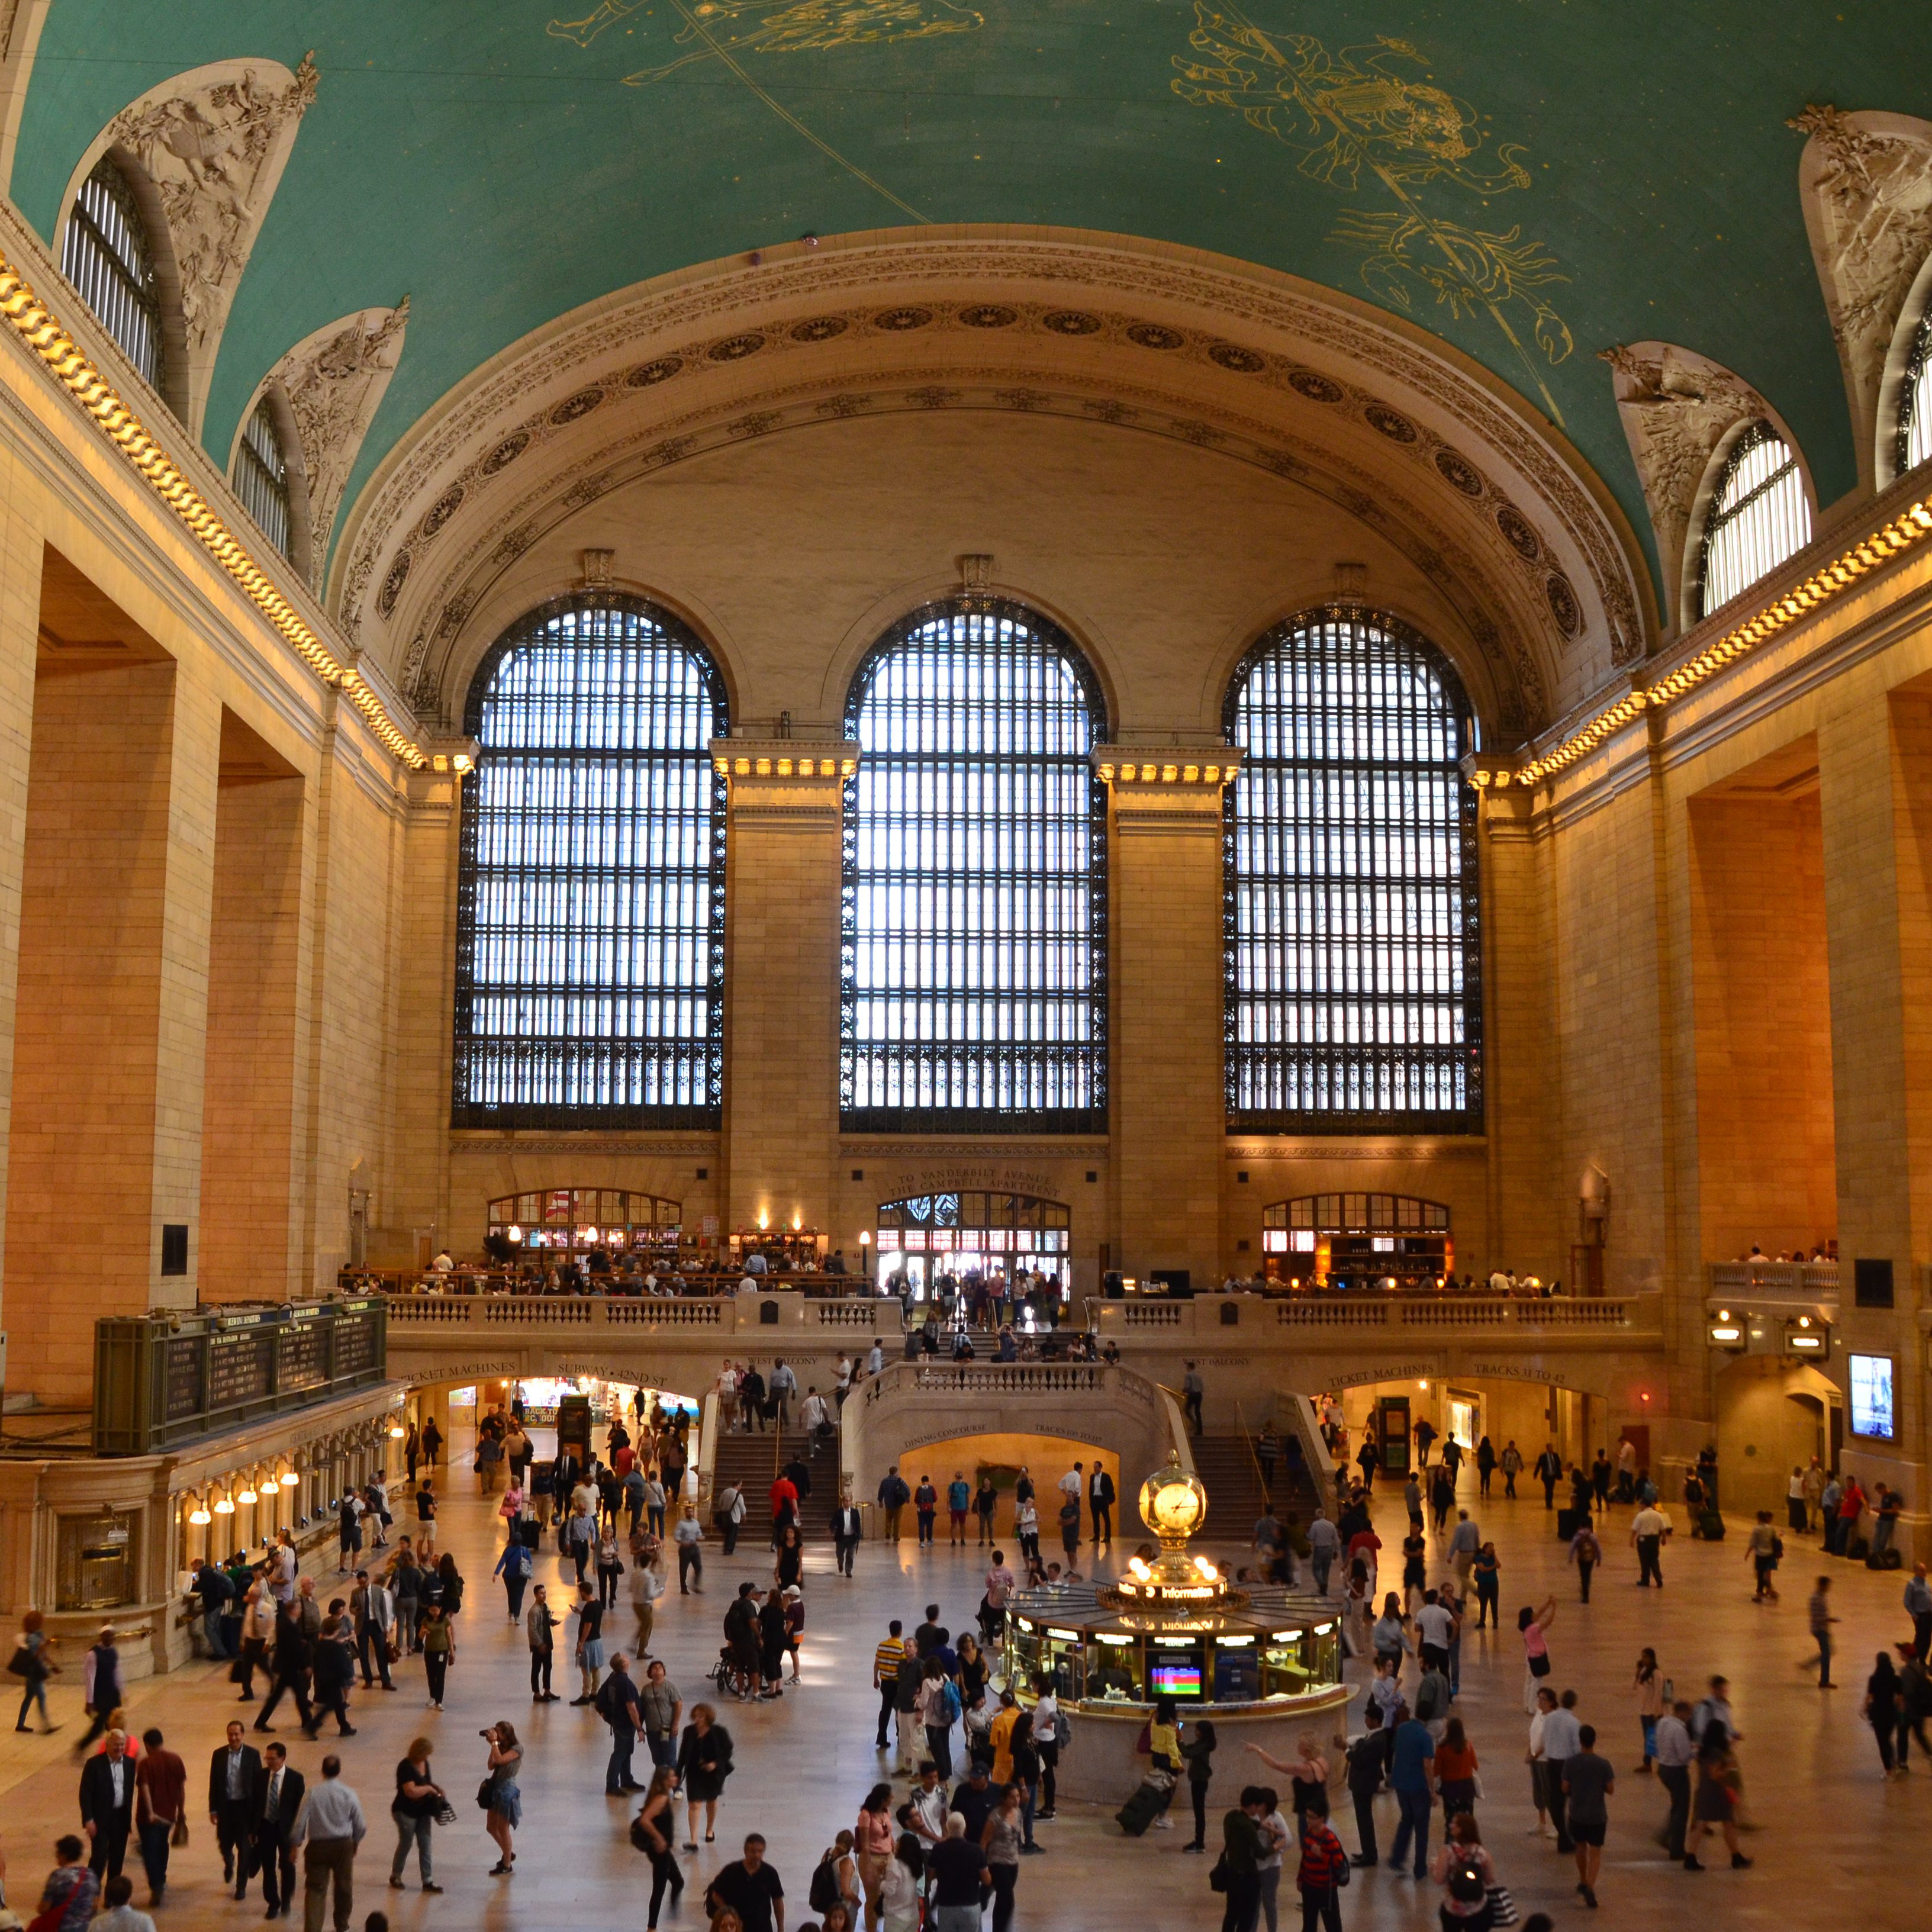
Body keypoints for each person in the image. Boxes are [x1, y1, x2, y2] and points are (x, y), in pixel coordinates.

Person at [291, 1751, 364, 1932]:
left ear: (322, 1771)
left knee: (316, 1890)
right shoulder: (349, 1793)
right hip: (343, 1846)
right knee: (344, 1887)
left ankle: (313, 1928)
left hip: (318, 1847)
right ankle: (342, 1925)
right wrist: (356, 1841)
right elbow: (360, 1824)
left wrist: (295, 1844)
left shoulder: (313, 1793)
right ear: (339, 1771)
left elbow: (300, 1821)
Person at [133, 1725, 185, 1905]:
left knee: (149, 1852)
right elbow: (181, 1789)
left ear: (147, 1744)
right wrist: (181, 1812)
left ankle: (156, 1886)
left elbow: (145, 1788)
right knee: (162, 1846)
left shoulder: (146, 1763)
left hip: (149, 1818)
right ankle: (161, 1879)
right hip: (169, 1814)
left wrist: (150, 1812)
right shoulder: (176, 1760)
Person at [251, 1740, 304, 1917]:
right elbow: (255, 1804)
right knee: (268, 1867)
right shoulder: (260, 1776)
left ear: (283, 1758)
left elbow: (300, 1810)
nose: (269, 1762)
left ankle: (287, 1898)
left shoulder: (295, 1779)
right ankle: (273, 1903)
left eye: (273, 1758)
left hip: (286, 1830)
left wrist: (298, 1837)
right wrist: (252, 1830)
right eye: (267, 1758)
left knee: (287, 1866)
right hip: (266, 1827)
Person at [1561, 1724, 1612, 1908]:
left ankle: (1583, 1880)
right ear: (1594, 1741)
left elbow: (1565, 1788)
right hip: (1597, 1815)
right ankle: (1591, 1885)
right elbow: (1611, 1789)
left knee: (1580, 1847)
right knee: (1596, 1852)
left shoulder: (1571, 1762)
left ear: (1580, 1741)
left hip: (1577, 1814)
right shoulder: (1603, 1764)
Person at [1682, 1740, 1750, 1872]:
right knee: (1728, 1824)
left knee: (1702, 1824)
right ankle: (1736, 1857)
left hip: (1705, 1792)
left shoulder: (1703, 1752)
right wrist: (1728, 1768)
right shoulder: (1717, 1754)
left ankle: (1691, 1856)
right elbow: (1715, 1774)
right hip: (1717, 1794)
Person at [388, 1737, 444, 1896]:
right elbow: (411, 1792)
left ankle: (428, 1881)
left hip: (423, 1811)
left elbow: (427, 1783)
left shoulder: (425, 1764)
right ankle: (396, 1876)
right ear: (418, 1752)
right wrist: (428, 1789)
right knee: (406, 1843)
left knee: (426, 1845)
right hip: (405, 1812)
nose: (427, 1758)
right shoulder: (405, 1767)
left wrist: (437, 1789)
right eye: (425, 1754)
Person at [79, 1728, 136, 1881]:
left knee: (117, 1858)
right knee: (99, 1857)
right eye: (116, 1744)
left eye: (122, 1745)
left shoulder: (130, 1764)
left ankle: (112, 1894)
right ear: (108, 1744)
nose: (119, 1748)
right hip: (100, 1819)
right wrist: (88, 1819)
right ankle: (91, 1890)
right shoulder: (94, 1764)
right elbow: (85, 1793)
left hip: (121, 1818)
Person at [677, 1702, 735, 1848]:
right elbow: (683, 1754)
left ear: (708, 1717)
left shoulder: (719, 1732)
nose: (698, 1719)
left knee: (711, 1801)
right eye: (695, 1716)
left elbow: (728, 1751)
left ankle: (709, 1830)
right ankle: (694, 1840)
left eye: (701, 1716)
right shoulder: (689, 1731)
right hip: (694, 1771)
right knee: (694, 1804)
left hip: (713, 1773)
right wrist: (677, 1772)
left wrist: (715, 1763)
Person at [1386, 1708, 1435, 1879]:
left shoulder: (1402, 1729)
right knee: (1422, 1828)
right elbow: (1427, 1765)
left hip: (1400, 1784)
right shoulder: (1425, 1737)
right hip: (1418, 1786)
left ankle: (1396, 1858)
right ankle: (1420, 1868)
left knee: (1406, 1819)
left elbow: (1395, 1752)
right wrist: (1433, 1791)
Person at [635, 1765, 685, 1930]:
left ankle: (671, 1912)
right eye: (672, 1776)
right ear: (664, 1781)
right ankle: (652, 1927)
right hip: (660, 1851)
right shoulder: (661, 1798)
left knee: (678, 1882)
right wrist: (659, 1839)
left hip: (663, 1850)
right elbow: (645, 1820)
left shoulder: (662, 1796)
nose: (675, 1778)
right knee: (659, 1889)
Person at [1428, 1812, 1496, 1932]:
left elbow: (1439, 1880)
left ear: (1461, 1829)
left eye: (1454, 1823)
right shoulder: (1482, 1853)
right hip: (1478, 1908)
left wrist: (1434, 1868)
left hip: (1453, 1908)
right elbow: (1489, 1880)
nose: (1450, 1825)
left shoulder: (1448, 1852)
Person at [707, 1832, 785, 1932]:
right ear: (745, 1851)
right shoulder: (731, 1871)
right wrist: (729, 1914)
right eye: (753, 1851)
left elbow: (778, 1901)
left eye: (760, 1851)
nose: (757, 1855)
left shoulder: (770, 1873)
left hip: (762, 1928)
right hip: (737, 1928)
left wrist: (781, 1928)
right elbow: (716, 1895)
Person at [928, 1812, 989, 1932]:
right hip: (970, 1905)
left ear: (947, 1828)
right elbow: (987, 1880)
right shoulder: (976, 1851)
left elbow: (930, 1876)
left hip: (946, 1905)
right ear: (965, 1829)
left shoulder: (938, 1849)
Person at [1220, 1786, 1266, 1932]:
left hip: (1232, 1873)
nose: (1258, 1811)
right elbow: (1260, 1853)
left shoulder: (1231, 1816)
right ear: (1253, 1805)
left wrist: (1261, 1826)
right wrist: (1278, 1845)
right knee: (1246, 1919)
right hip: (1247, 1879)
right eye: (1258, 1807)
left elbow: (1244, 1821)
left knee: (1231, 1915)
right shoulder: (1248, 1827)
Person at [1653, 1699, 1695, 1859]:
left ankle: (1665, 1836)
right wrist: (1695, 1751)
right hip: (1677, 1772)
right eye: (1689, 1714)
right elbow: (1684, 1756)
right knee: (1682, 1811)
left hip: (1663, 1768)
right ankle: (1677, 1849)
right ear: (1682, 1712)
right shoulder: (1679, 1729)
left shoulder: (1663, 1722)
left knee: (1676, 1806)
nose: (1690, 1717)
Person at [600, 1651, 645, 1795]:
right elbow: (631, 1707)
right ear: (625, 1664)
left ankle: (626, 1779)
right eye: (625, 1657)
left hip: (617, 1721)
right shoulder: (625, 1683)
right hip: (625, 1723)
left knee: (626, 1752)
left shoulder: (613, 1677)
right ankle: (612, 1785)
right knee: (620, 1753)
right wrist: (639, 1727)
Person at [981, 1781, 1023, 1932]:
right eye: (1012, 1797)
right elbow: (985, 1841)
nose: (1016, 1800)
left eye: (1018, 1796)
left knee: (1002, 1899)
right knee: (1008, 1900)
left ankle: (998, 1929)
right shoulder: (996, 1816)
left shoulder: (1018, 1813)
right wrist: (983, 1865)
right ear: (1004, 1799)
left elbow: (1017, 1837)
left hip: (1013, 1861)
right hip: (997, 1861)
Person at [36, 1836, 99, 1931]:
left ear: (64, 1855)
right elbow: (94, 1905)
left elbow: (44, 1908)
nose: (56, 1855)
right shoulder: (91, 1874)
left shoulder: (58, 1876)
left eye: (58, 1852)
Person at [1864, 1653, 1904, 1777]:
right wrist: (1901, 1715)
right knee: (1887, 1740)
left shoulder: (1873, 1679)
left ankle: (1889, 1770)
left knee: (1882, 1742)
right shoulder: (1896, 1679)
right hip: (1891, 1713)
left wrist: (1865, 1709)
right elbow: (1900, 1699)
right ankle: (1894, 1763)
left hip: (1878, 1714)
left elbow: (1870, 1697)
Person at [1518, 1597, 1556, 1714]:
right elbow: (1548, 1622)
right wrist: (1554, 1608)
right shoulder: (1534, 1629)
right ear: (1530, 1618)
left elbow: (1539, 1613)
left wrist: (1548, 1603)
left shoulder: (1527, 1629)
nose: (1535, 1614)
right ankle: (1533, 1707)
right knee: (1537, 1683)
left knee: (1529, 1681)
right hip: (1537, 1658)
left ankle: (1527, 1705)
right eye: (1532, 1614)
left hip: (1530, 1657)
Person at [418, 1602, 454, 1711]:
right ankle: (432, 1696)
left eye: (436, 1610)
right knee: (431, 1674)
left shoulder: (445, 1621)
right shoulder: (426, 1620)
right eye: (432, 1610)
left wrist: (452, 1651)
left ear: (440, 1609)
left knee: (440, 1675)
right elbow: (420, 1636)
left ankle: (439, 1701)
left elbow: (449, 1636)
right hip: (429, 1651)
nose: (434, 1613)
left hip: (442, 1651)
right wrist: (423, 1633)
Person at [1806, 1574, 1838, 1687]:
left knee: (1828, 1652)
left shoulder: (1821, 1596)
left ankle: (1810, 1664)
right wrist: (1830, 1619)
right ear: (1822, 1585)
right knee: (1827, 1653)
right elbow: (1816, 1617)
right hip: (1819, 1629)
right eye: (1827, 1586)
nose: (1829, 1588)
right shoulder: (1816, 1599)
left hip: (1823, 1628)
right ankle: (1824, 1681)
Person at [1746, 1511, 1780, 1602]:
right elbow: (1775, 1540)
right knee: (1765, 1574)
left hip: (1760, 1554)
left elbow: (1753, 1543)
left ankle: (1760, 1593)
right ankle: (1770, 1590)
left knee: (1760, 1574)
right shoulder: (1771, 1528)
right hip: (1770, 1554)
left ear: (1759, 1518)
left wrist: (1748, 1553)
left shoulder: (1757, 1529)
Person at [1567, 1518, 1601, 1602]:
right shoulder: (1592, 1536)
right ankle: (1586, 1589)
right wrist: (1599, 1559)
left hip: (1582, 1558)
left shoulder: (1578, 1536)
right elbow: (1597, 1548)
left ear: (1580, 1526)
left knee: (1583, 1575)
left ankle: (1585, 1593)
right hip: (1591, 1559)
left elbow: (1573, 1547)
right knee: (1588, 1575)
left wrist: (1571, 1557)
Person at [674, 1503, 705, 1594]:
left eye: (691, 1512)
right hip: (685, 1549)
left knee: (699, 1567)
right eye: (688, 1512)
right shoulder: (681, 1524)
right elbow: (677, 1536)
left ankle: (696, 1585)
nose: (690, 1513)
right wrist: (682, 1542)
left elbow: (699, 1533)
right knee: (683, 1569)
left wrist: (700, 1537)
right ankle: (683, 1587)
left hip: (694, 1547)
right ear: (685, 1513)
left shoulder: (696, 1523)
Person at [877, 1467, 911, 1542]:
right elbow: (907, 1489)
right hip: (898, 1503)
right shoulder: (899, 1480)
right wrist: (907, 1498)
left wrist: (880, 1501)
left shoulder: (884, 1481)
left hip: (888, 1503)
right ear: (896, 1472)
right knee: (897, 1520)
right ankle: (896, 1536)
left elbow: (881, 1491)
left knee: (888, 1519)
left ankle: (888, 1532)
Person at [1183, 1362, 1205, 1434]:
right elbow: (1202, 1387)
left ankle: (1194, 1423)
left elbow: (1187, 1386)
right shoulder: (1198, 1376)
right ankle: (1200, 1430)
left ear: (1189, 1367)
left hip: (1192, 1394)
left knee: (1187, 1410)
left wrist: (1184, 1391)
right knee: (1197, 1412)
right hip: (1199, 1395)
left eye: (1187, 1367)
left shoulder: (1188, 1375)